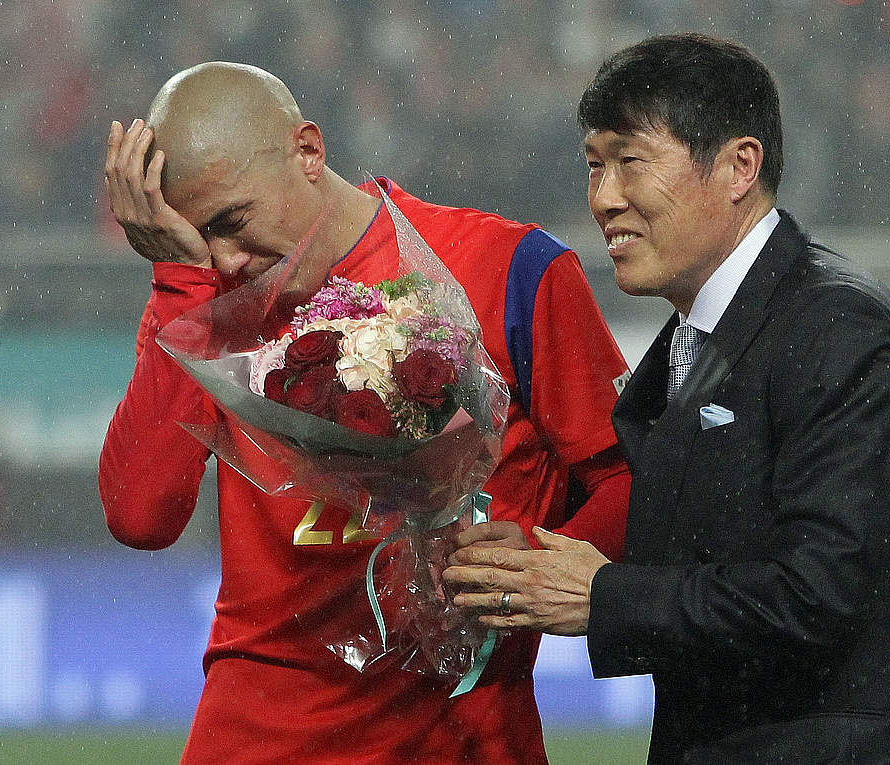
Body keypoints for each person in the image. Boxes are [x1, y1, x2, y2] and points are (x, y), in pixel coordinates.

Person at [445, 34, 890, 764]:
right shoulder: (703, 335)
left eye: (631, 161)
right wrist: (549, 557)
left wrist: (603, 597)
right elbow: (716, 544)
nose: (604, 198)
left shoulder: (839, 328)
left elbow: (821, 594)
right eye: (594, 164)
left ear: (740, 167)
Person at [97, 61, 632, 765]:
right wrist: (177, 281)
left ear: (308, 150)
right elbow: (141, 517)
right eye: (198, 238)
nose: (225, 259)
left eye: (233, 222)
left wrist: (533, 561)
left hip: (463, 739)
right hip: (256, 740)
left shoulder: (507, 268)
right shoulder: (203, 299)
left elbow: (628, 482)